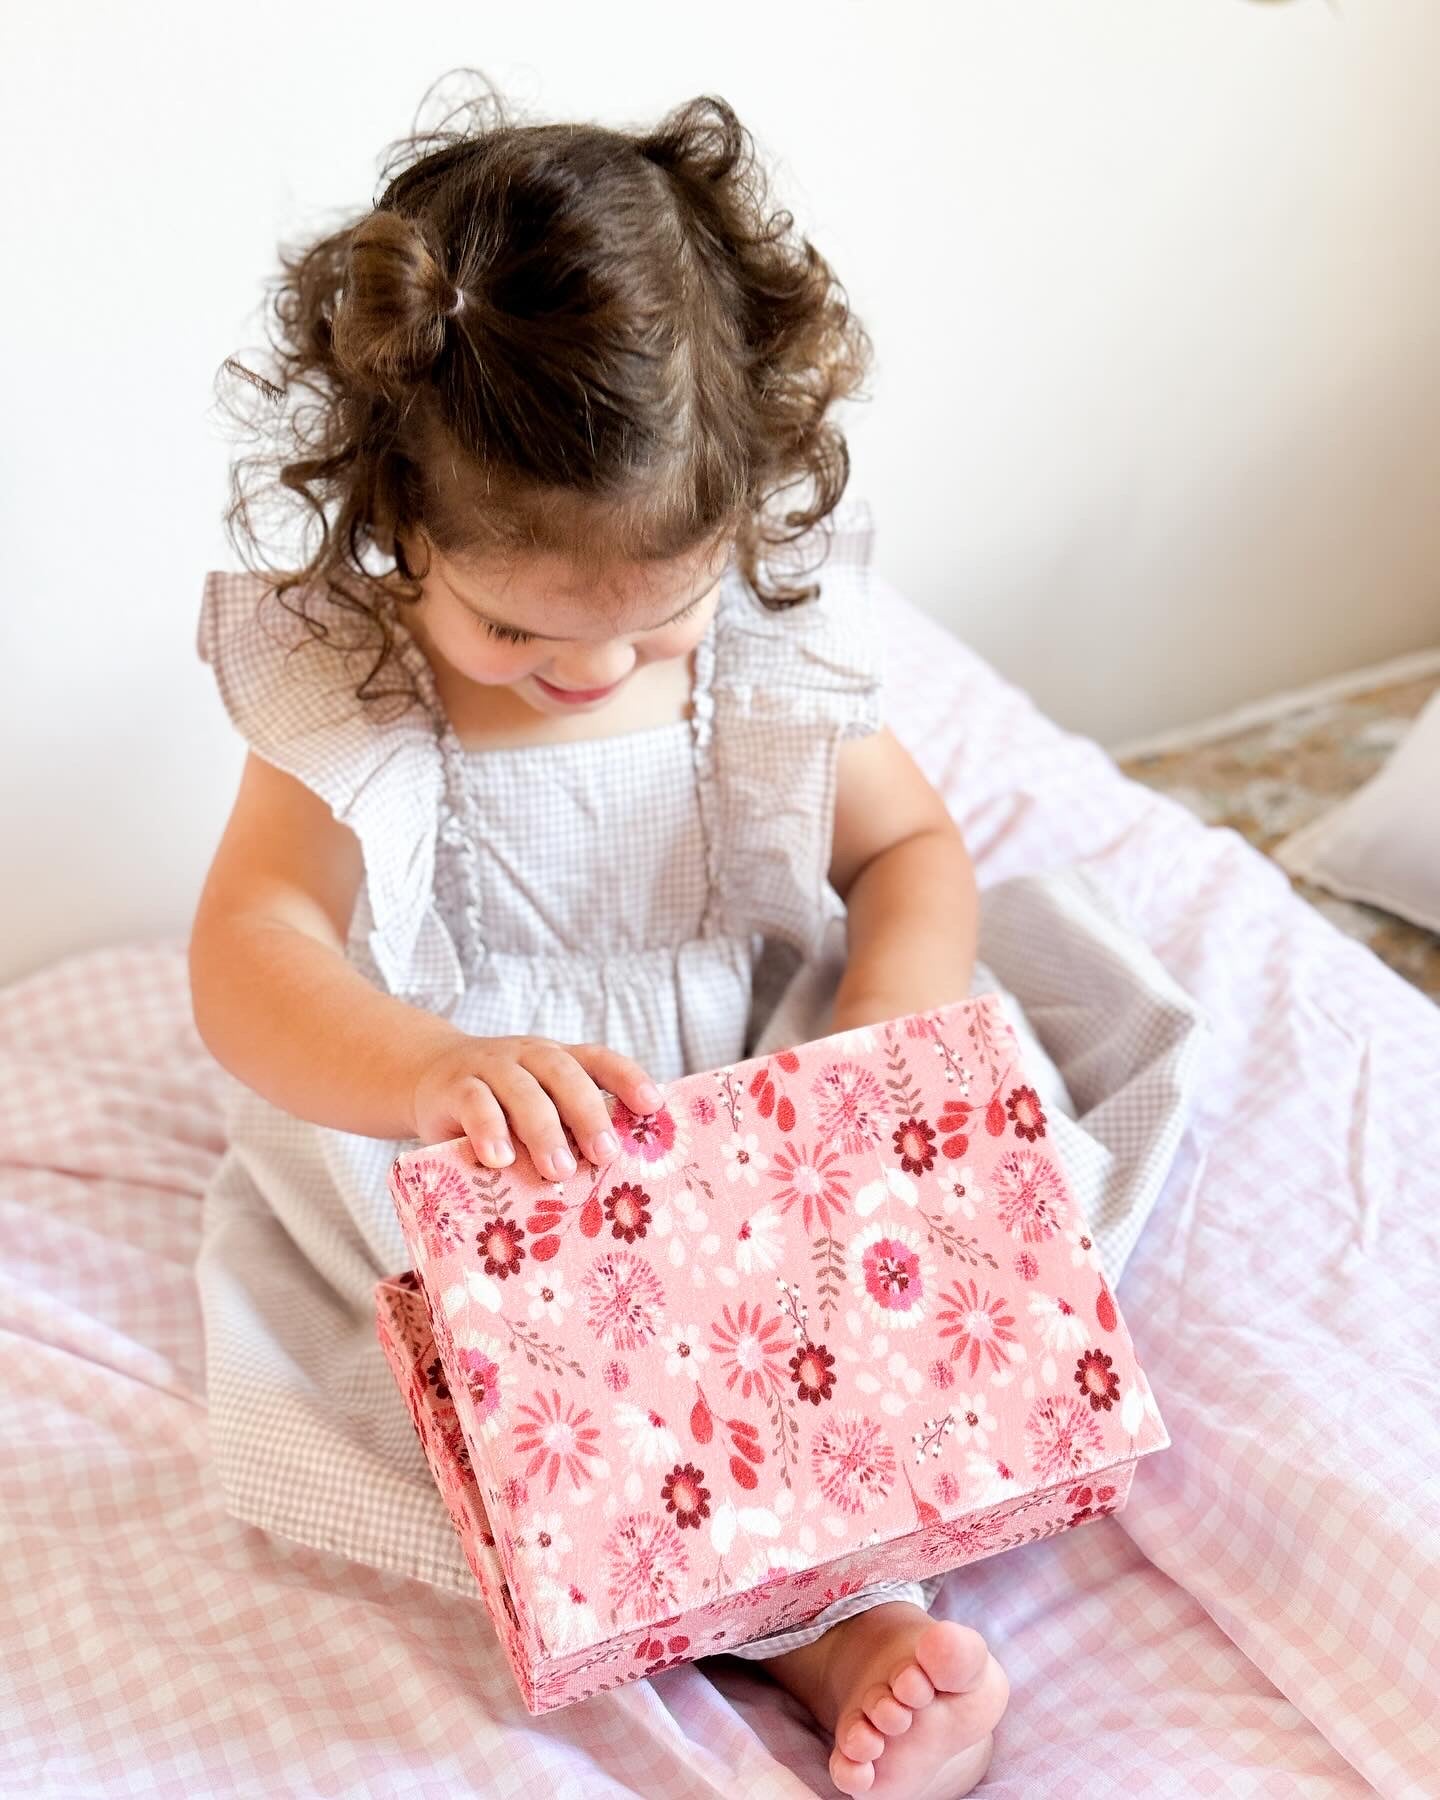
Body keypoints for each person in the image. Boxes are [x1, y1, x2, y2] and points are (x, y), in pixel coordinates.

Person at [189, 73, 1008, 1798]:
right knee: (545, 1410)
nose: (588, 673)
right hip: (496, 1147)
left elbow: (915, 851)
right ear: (401, 527)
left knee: (856, 1312)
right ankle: (806, 1632)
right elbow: (252, 948)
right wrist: (428, 1067)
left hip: (746, 1103)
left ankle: (865, 1594)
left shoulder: (773, 647)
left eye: (657, 624)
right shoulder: (365, 687)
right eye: (517, 628)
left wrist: (880, 1022)